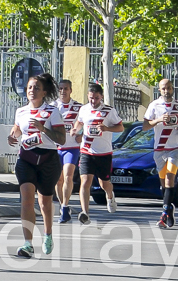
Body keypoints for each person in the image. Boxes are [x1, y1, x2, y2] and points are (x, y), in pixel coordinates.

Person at [8, 73, 66, 257]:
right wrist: (12, 136)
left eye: (36, 88)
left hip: (48, 159)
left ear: (44, 92)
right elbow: (17, 130)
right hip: (26, 159)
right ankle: (27, 243)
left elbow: (62, 139)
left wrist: (43, 129)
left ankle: (48, 234)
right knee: (26, 199)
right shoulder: (21, 111)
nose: (32, 91)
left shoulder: (52, 111)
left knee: (44, 201)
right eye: (30, 87)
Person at [72, 83, 124, 223]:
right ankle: (85, 213)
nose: (93, 101)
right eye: (90, 98)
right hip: (87, 151)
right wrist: (76, 130)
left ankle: (110, 196)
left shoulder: (109, 111)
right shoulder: (84, 109)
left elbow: (120, 128)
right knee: (85, 181)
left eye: (96, 98)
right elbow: (80, 122)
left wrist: (107, 128)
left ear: (101, 97)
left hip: (103, 153)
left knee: (104, 183)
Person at [142, 78, 178, 228]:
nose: (166, 91)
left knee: (170, 179)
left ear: (172, 89)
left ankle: (163, 216)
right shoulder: (154, 105)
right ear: (159, 90)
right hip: (159, 148)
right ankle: (169, 208)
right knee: (164, 184)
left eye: (168, 88)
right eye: (163, 88)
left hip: (176, 147)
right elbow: (145, 126)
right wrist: (158, 120)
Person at [54, 79, 84, 223]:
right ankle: (62, 205)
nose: (63, 91)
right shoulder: (52, 106)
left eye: (66, 88)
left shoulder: (78, 107)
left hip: (71, 147)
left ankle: (65, 207)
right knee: (58, 179)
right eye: (60, 88)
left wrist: (82, 135)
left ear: (71, 90)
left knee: (68, 176)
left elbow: (88, 123)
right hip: (55, 147)